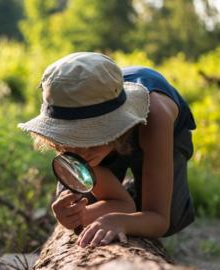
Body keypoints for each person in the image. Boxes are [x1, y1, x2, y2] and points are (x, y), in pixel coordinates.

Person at [18, 52, 196, 248]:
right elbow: (103, 207)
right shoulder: (68, 100)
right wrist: (78, 215)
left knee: (171, 216)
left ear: (113, 124)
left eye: (92, 138)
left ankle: (138, 191)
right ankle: (130, 193)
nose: (81, 153)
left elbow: (159, 220)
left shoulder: (156, 117)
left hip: (160, 132)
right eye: (71, 139)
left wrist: (119, 220)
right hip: (108, 128)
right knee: (83, 199)